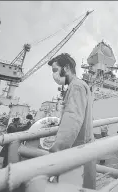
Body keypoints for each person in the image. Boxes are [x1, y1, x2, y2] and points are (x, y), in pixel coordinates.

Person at [47, 53, 96, 189]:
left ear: (67, 68)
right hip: (83, 149)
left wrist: (54, 156)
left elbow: (72, 120)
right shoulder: (80, 85)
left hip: (77, 152)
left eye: (55, 70)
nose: (54, 75)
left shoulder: (76, 87)